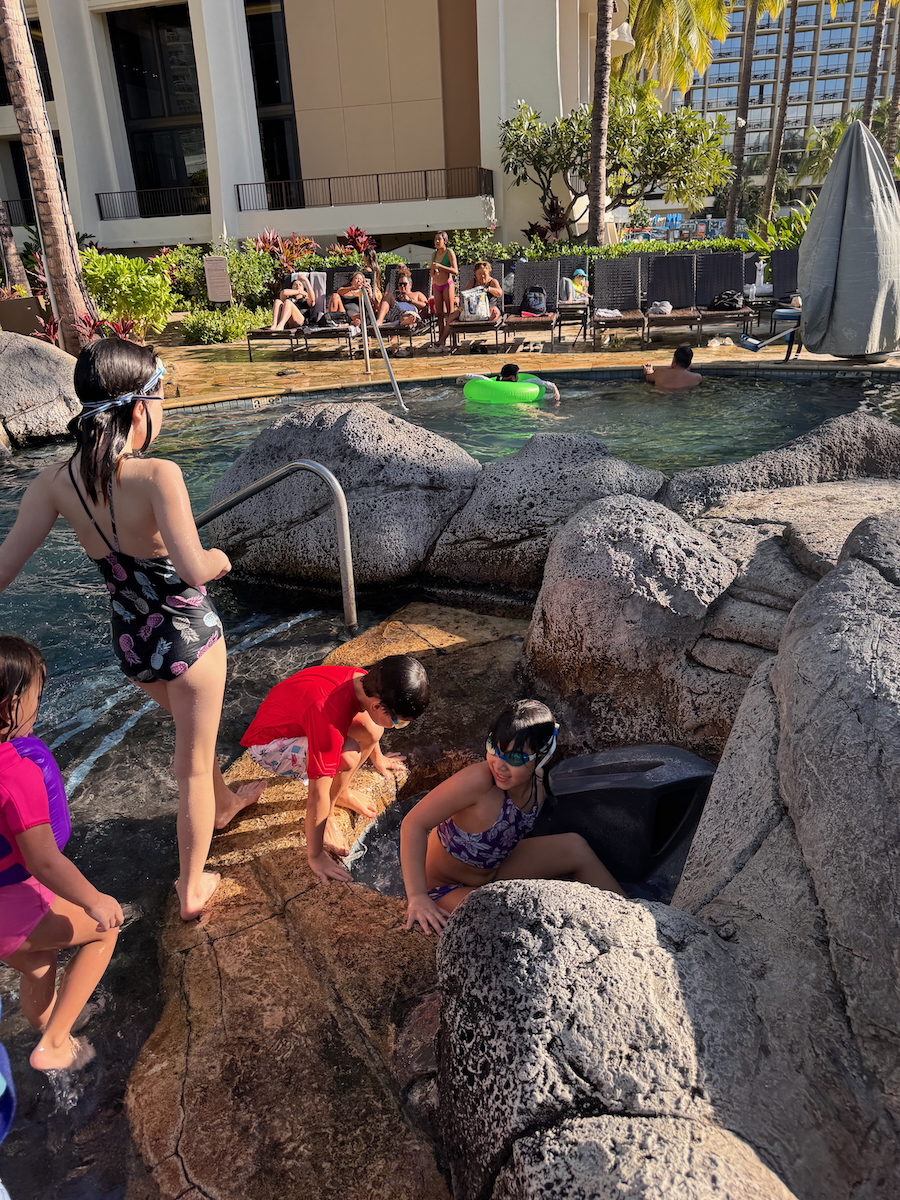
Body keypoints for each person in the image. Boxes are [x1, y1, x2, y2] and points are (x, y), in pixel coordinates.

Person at [0, 340, 265, 921]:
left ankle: (223, 804)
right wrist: (220, 557)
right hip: (187, 637)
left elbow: (3, 569)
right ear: (140, 407)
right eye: (161, 399)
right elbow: (193, 569)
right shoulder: (157, 474)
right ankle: (192, 886)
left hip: (131, 641)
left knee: (195, 738)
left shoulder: (52, 482)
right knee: (191, 762)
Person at [0, 636, 123, 1071]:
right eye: (36, 697)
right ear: (10, 706)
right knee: (103, 931)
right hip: (10, 908)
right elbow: (44, 861)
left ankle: (53, 1028)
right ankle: (52, 1046)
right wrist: (94, 900)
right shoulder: (16, 775)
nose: (38, 707)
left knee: (38, 962)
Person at [400, 701, 624, 935]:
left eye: (515, 758)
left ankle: (629, 919)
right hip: (443, 889)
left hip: (494, 872)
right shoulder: (479, 783)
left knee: (575, 848)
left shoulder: (540, 784)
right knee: (511, 917)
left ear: (542, 757)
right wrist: (417, 896)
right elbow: (414, 824)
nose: (499, 765)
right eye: (493, 748)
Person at [241, 655, 429, 884]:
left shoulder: (367, 680)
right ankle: (330, 810)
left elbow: (372, 724)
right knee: (347, 757)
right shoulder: (328, 718)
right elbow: (316, 794)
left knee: (372, 727)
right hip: (268, 747)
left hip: (293, 716)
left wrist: (378, 758)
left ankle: (342, 793)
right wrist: (316, 855)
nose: (397, 726)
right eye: (399, 722)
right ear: (378, 706)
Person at [435, 260, 502, 349]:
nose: (482, 276)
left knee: (495, 312)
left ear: (488, 273)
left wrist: (488, 289)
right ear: (475, 274)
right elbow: (464, 294)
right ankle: (442, 340)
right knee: (452, 316)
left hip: (488, 307)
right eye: (479, 274)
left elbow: (499, 293)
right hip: (471, 309)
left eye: (484, 273)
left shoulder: (492, 282)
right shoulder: (472, 282)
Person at [376, 270, 428, 348]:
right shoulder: (395, 295)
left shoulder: (417, 294)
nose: (402, 286)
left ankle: (397, 332)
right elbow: (382, 305)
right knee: (388, 295)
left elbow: (425, 305)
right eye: (400, 284)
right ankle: (380, 321)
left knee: (409, 316)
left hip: (410, 312)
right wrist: (394, 298)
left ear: (410, 285)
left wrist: (409, 300)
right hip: (395, 312)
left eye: (404, 284)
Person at [428, 231, 458, 346]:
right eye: (435, 239)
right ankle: (441, 340)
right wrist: (433, 270)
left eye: (439, 239)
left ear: (445, 241)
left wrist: (440, 267)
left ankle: (453, 340)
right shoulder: (434, 255)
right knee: (439, 314)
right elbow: (431, 273)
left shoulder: (449, 253)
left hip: (447, 284)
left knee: (450, 313)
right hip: (437, 285)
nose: (436, 241)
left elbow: (455, 271)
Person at [496, 361, 560, 404]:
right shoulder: (521, 385)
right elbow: (544, 383)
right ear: (513, 377)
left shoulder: (497, 384)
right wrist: (556, 391)